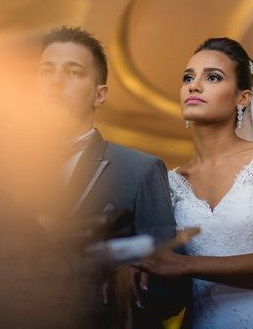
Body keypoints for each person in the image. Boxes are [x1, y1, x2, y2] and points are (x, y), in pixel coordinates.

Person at [135, 37, 253, 328]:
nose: (194, 85)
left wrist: (186, 266)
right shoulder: (169, 183)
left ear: (242, 98)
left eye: (213, 77)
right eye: (188, 77)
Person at [34, 26, 190, 328]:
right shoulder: (2, 169)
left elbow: (172, 288)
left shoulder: (139, 170)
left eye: (73, 72)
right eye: (46, 70)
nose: (55, 81)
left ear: (100, 94)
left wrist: (123, 291)